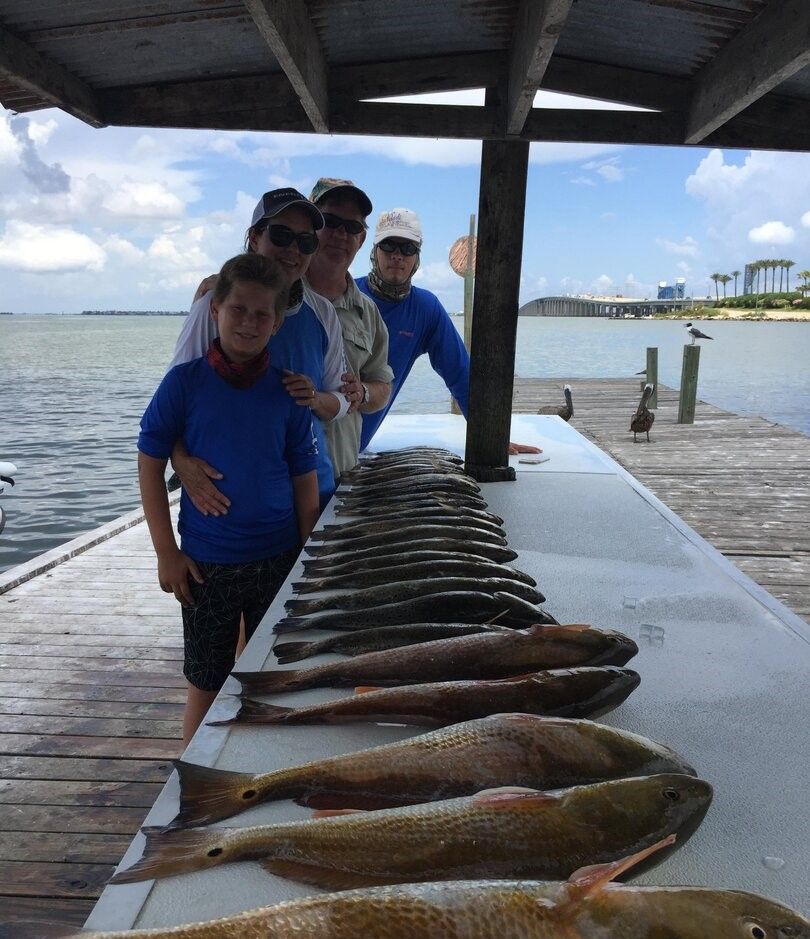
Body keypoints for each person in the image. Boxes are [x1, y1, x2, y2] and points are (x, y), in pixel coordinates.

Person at [138, 253, 320, 744]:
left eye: (262, 314)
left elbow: (303, 476)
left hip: (278, 559)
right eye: (238, 309)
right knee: (206, 680)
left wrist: (310, 556)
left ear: (277, 323)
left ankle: (254, 760)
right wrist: (166, 554)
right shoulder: (183, 383)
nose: (249, 322)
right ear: (215, 310)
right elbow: (149, 465)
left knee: (270, 674)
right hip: (205, 567)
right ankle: (190, 773)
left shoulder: (288, 392)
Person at [169, 188, 349, 513]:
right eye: (281, 235)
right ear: (254, 238)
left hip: (312, 495)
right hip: (229, 506)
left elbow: (342, 399)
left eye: (306, 241)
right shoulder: (214, 306)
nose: (293, 250)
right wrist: (181, 462)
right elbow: (172, 402)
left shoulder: (323, 313)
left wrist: (314, 398)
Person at [357, 208, 540, 456]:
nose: (397, 255)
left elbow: (460, 373)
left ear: (417, 256)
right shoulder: (346, 294)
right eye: (388, 245)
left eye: (408, 248)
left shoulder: (426, 308)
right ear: (374, 250)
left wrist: (490, 436)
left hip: (356, 448)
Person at [306, 177, 393, 477]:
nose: (341, 234)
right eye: (330, 221)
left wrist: (363, 392)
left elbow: (383, 386)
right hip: (277, 482)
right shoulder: (274, 297)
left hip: (341, 475)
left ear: (362, 239)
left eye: (352, 227)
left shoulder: (368, 312)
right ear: (310, 225)